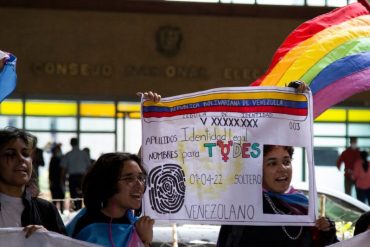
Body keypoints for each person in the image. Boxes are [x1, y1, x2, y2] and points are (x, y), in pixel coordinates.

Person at [217, 145, 338, 246]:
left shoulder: (303, 204)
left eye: (286, 162)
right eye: (272, 163)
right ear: (257, 170)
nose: (282, 169)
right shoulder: (245, 207)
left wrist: (326, 231)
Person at [66, 152, 155, 247]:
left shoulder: (136, 225)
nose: (140, 185)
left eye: (141, 178)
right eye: (129, 179)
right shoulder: (86, 227)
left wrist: (144, 241)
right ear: (108, 183)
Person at [0, 127, 66, 237]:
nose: (21, 159)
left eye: (25, 154)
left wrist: (49, 239)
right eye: (10, 154)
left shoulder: (46, 210)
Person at [60, 137, 91, 211]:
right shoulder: (84, 154)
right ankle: (80, 211)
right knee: (81, 196)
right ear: (78, 143)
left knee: (73, 196)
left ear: (70, 143)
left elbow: (63, 170)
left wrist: (62, 180)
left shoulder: (68, 154)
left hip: (72, 178)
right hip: (82, 177)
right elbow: (89, 167)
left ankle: (75, 211)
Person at [49, 143, 66, 214]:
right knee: (59, 197)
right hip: (58, 181)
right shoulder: (58, 159)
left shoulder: (54, 159)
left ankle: (56, 212)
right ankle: (59, 211)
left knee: (56, 197)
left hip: (56, 181)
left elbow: (50, 172)